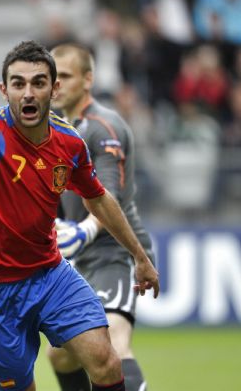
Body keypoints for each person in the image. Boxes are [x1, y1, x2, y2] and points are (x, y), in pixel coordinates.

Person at [0, 9, 159, 391]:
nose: (28, 92)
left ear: (53, 89)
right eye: (18, 83)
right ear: (5, 90)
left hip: (50, 273)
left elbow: (99, 199)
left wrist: (139, 256)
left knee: (105, 359)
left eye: (38, 82)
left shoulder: (69, 143)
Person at [48, 43, 155, 391]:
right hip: (79, 257)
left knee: (113, 344)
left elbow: (109, 197)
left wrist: (83, 231)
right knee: (60, 356)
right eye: (54, 77)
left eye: (65, 76)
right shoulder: (58, 128)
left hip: (116, 251)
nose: (57, 84)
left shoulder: (103, 127)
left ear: (88, 79)